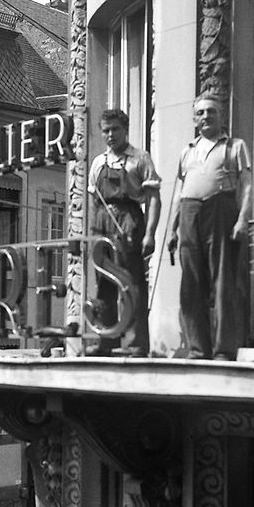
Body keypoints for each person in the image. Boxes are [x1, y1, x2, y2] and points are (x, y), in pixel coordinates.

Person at [168, 94, 252, 360]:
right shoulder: (187, 151)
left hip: (220, 210)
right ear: (195, 119)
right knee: (191, 284)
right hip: (190, 213)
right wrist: (172, 229)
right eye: (201, 113)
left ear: (221, 115)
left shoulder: (235, 146)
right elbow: (180, 192)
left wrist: (242, 219)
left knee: (223, 281)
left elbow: (247, 185)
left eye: (211, 112)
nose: (206, 117)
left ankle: (224, 349)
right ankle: (197, 348)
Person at [88, 108, 161, 355]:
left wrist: (150, 233)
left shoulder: (140, 158)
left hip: (129, 218)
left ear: (125, 129)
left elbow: (153, 199)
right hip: (102, 223)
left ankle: (136, 343)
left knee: (131, 281)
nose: (110, 135)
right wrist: (93, 233)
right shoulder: (98, 163)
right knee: (103, 283)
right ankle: (106, 339)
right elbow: (94, 201)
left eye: (115, 129)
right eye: (106, 131)